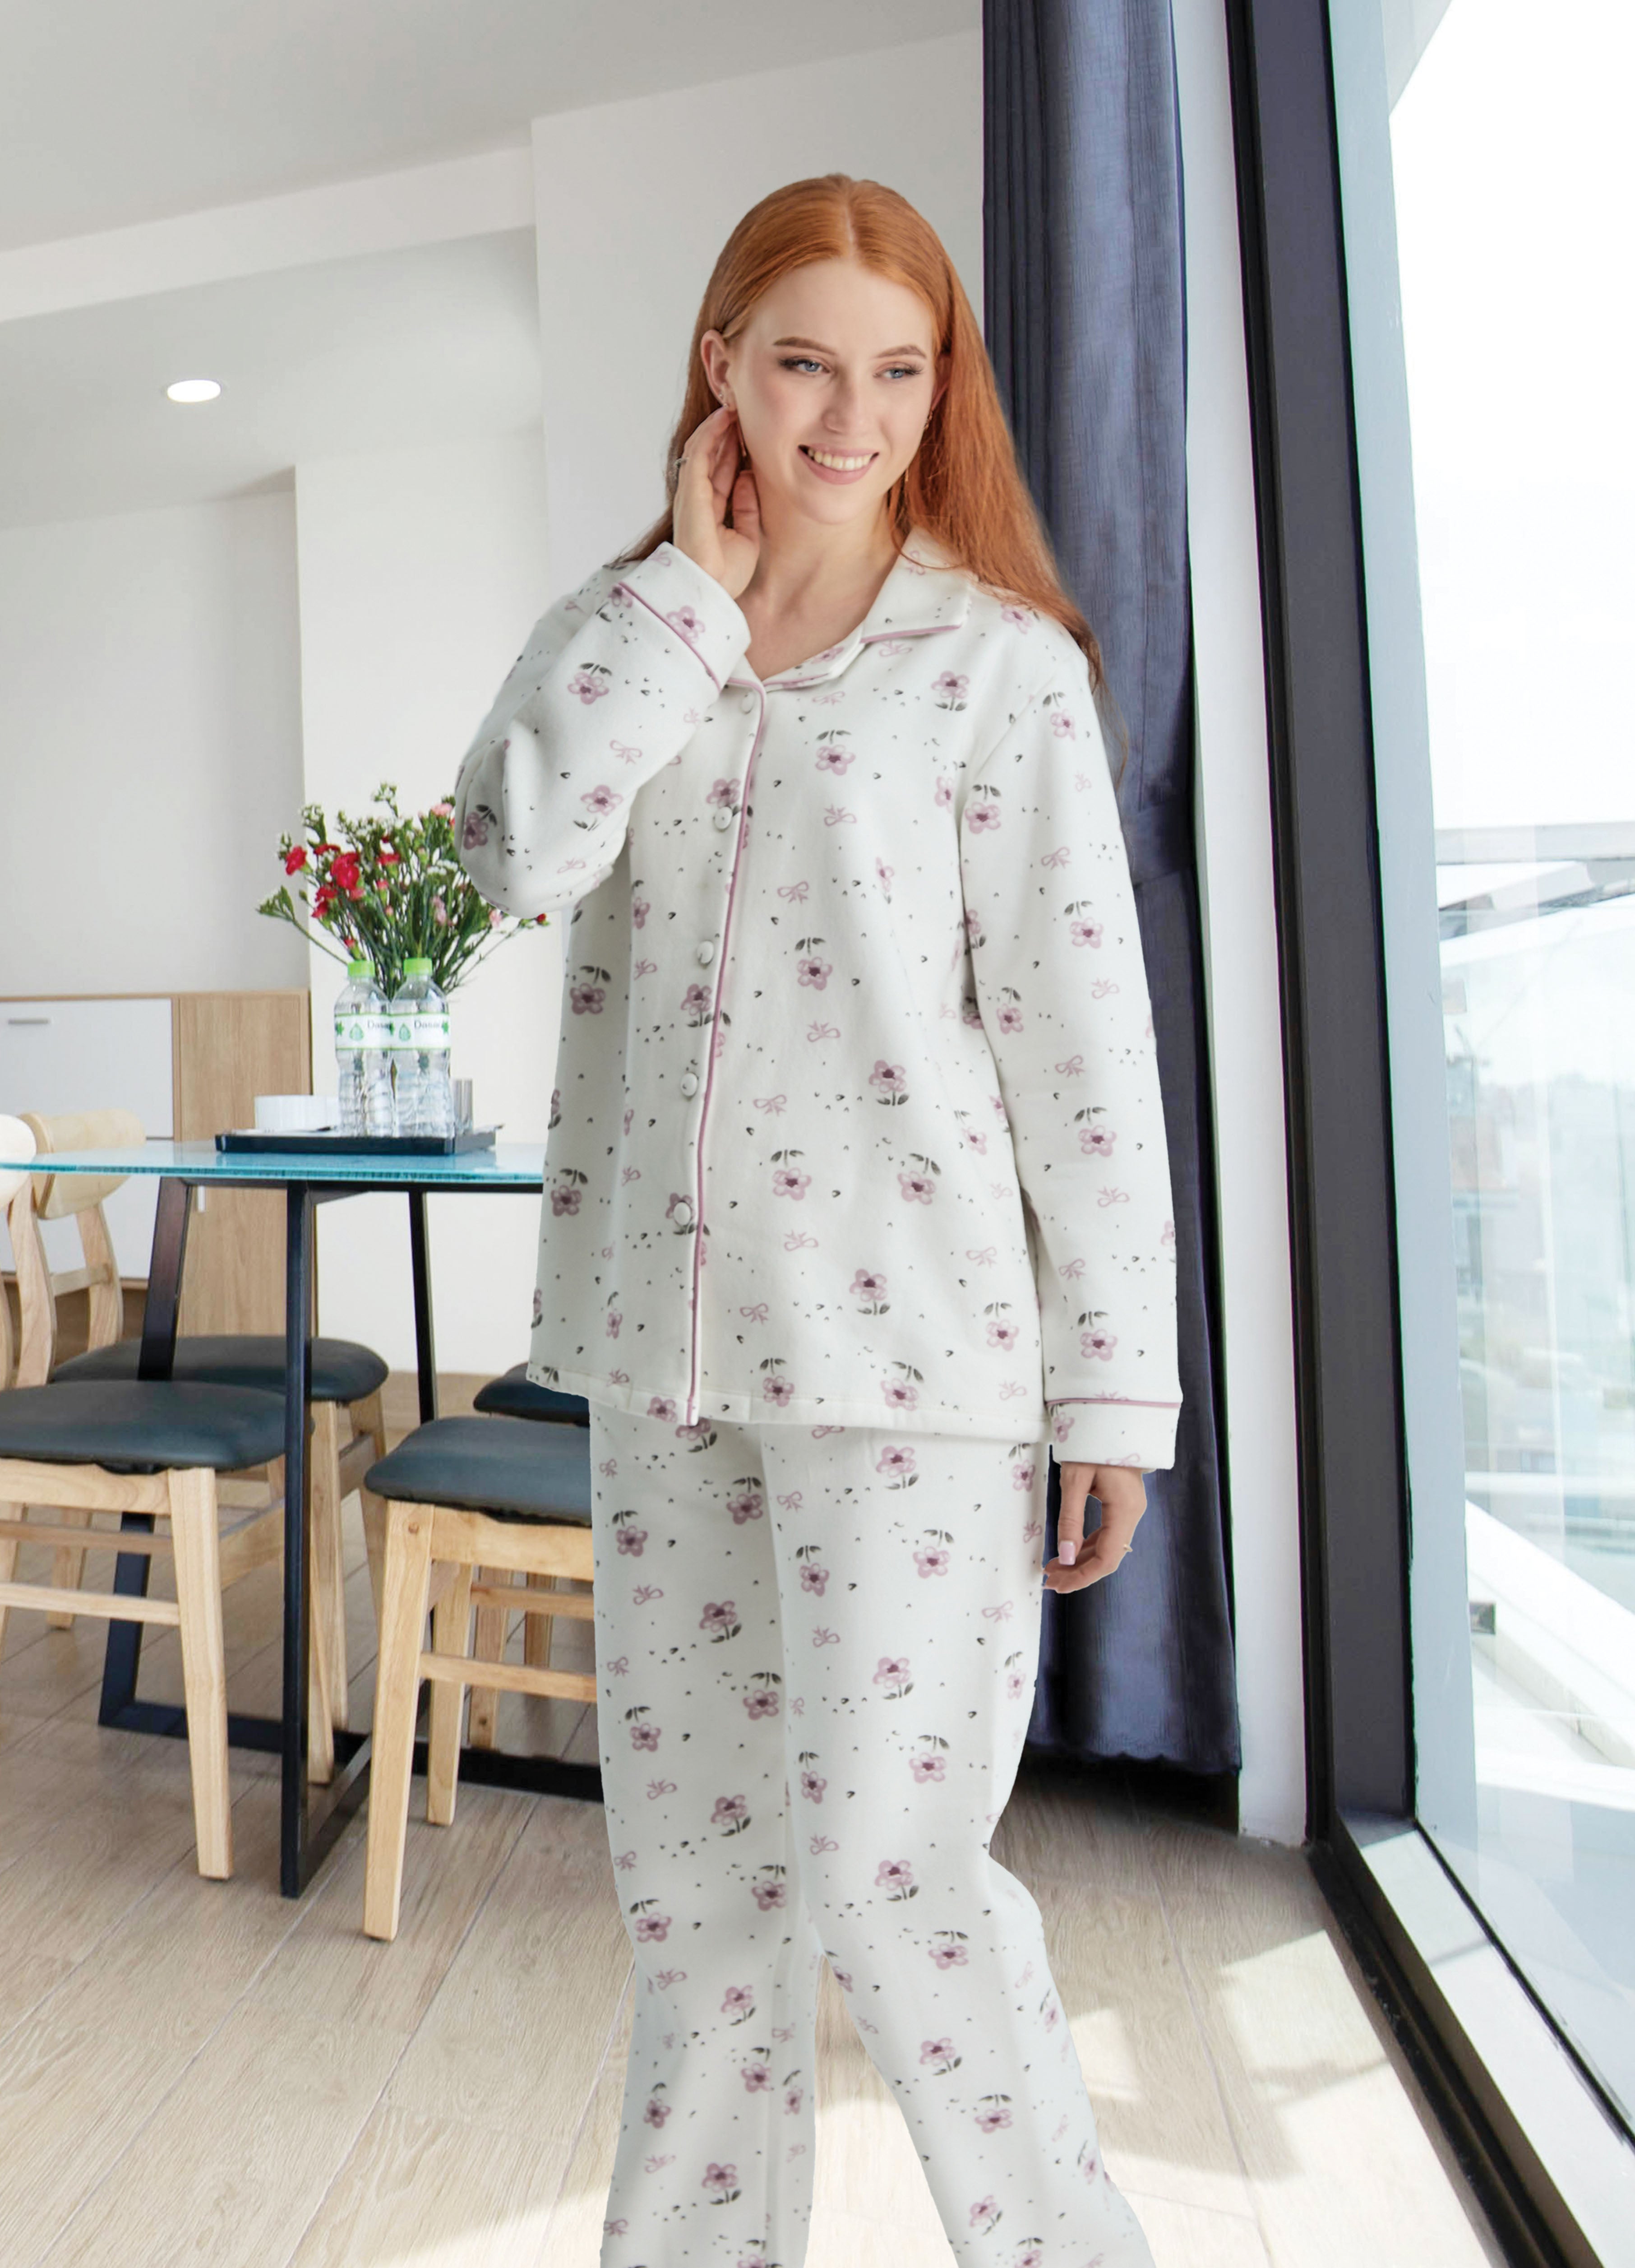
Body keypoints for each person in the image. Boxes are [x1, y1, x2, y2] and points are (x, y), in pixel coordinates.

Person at [456, 172, 1178, 2268]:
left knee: (899, 1882)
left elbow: (1081, 1048)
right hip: (661, 1362)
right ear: (722, 368)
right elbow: (507, 862)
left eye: (897, 370)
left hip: (915, 1367)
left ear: (942, 387)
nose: (850, 417)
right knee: (696, 1903)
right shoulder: (619, 632)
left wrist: (1115, 1389)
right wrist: (686, 605)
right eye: (801, 364)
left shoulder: (1001, 669)